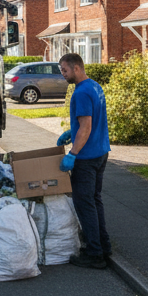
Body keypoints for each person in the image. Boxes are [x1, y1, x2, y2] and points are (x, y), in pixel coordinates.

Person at [56, 52, 112, 269]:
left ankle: (94, 253)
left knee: (84, 203)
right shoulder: (95, 87)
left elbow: (86, 127)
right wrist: (73, 131)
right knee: (95, 200)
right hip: (101, 152)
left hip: (87, 157)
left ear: (76, 68)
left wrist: (72, 153)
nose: (63, 74)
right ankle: (104, 246)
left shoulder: (80, 93)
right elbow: (91, 121)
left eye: (65, 70)